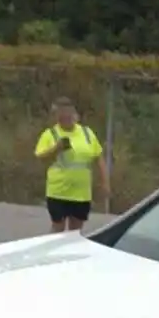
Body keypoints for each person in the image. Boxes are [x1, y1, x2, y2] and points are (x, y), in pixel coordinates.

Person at [35, 98, 106, 233]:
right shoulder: (51, 134)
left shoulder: (87, 133)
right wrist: (56, 149)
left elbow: (99, 158)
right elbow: (40, 157)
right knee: (58, 228)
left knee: (75, 232)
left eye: (68, 115)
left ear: (74, 115)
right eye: (61, 116)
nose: (66, 118)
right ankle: (52, 253)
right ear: (57, 117)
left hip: (81, 193)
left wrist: (105, 183)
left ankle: (71, 252)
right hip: (58, 191)